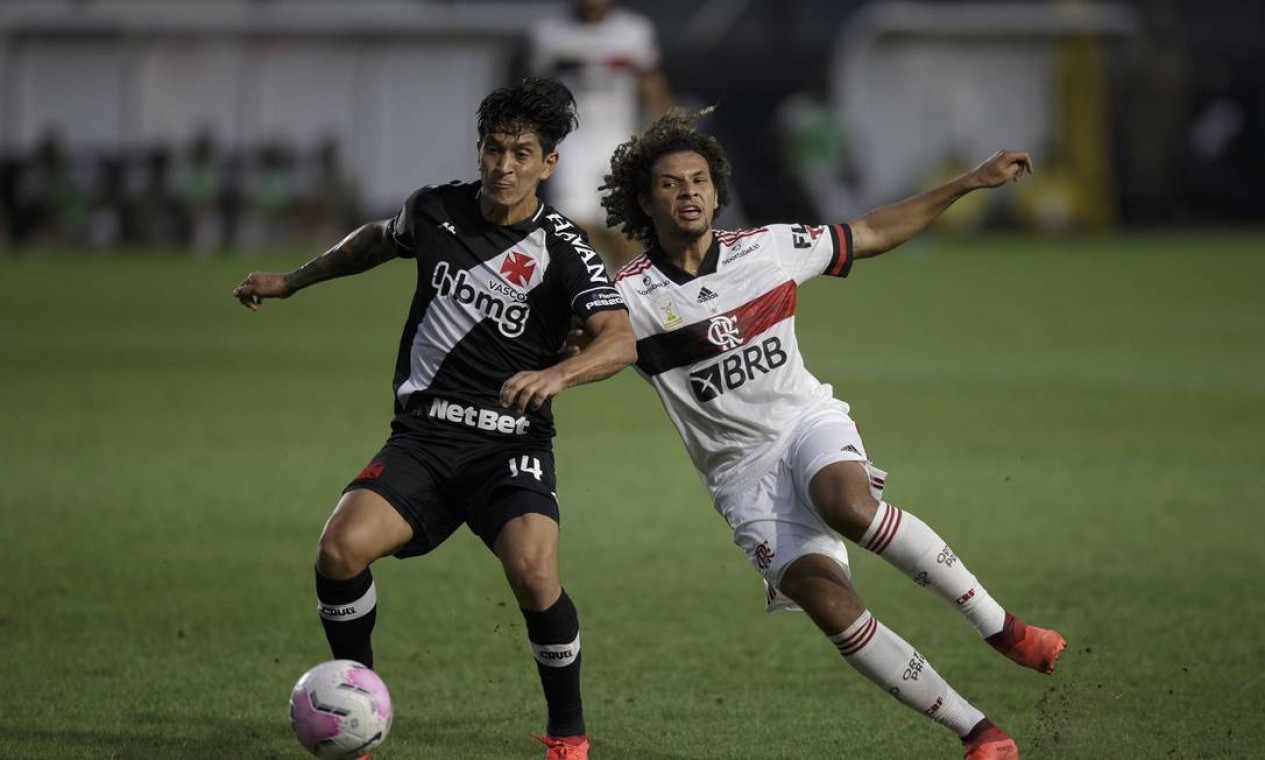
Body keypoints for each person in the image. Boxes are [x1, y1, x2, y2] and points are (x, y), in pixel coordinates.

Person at [597, 110, 1066, 759]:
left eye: (699, 179)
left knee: (845, 504)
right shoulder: (627, 298)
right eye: (672, 184)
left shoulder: (767, 248)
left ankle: (1003, 629)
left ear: (716, 188)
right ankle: (977, 731)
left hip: (803, 423)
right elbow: (589, 347)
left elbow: (870, 229)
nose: (689, 193)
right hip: (741, 478)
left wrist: (967, 182)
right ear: (645, 200)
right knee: (827, 601)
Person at [232, 78, 635, 760]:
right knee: (338, 551)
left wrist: (555, 374)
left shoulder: (562, 246)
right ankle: (357, 707)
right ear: (479, 150)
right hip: (423, 438)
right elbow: (376, 241)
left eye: (522, 152)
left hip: (509, 446)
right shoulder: (435, 209)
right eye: (494, 149)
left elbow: (618, 338)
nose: (505, 165)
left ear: (549, 164)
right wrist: (295, 279)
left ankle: (567, 734)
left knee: (535, 573)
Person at [527, 0, 672, 270]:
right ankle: (590, 293)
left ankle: (623, 293)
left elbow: (650, 82)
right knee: (574, 227)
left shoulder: (633, 31)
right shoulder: (549, 32)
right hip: (571, 143)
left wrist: (667, 128)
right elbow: (536, 88)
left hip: (618, 142)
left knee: (621, 231)